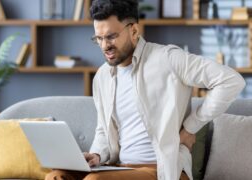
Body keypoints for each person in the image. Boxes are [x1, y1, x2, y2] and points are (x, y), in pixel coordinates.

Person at [45, 0, 245, 179]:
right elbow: (103, 130)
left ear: (134, 31)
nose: (104, 46)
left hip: (161, 170)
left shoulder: (168, 59)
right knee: (55, 176)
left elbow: (231, 81)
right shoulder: (102, 76)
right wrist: (96, 154)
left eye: (111, 36)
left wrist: (191, 127)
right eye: (98, 38)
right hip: (119, 169)